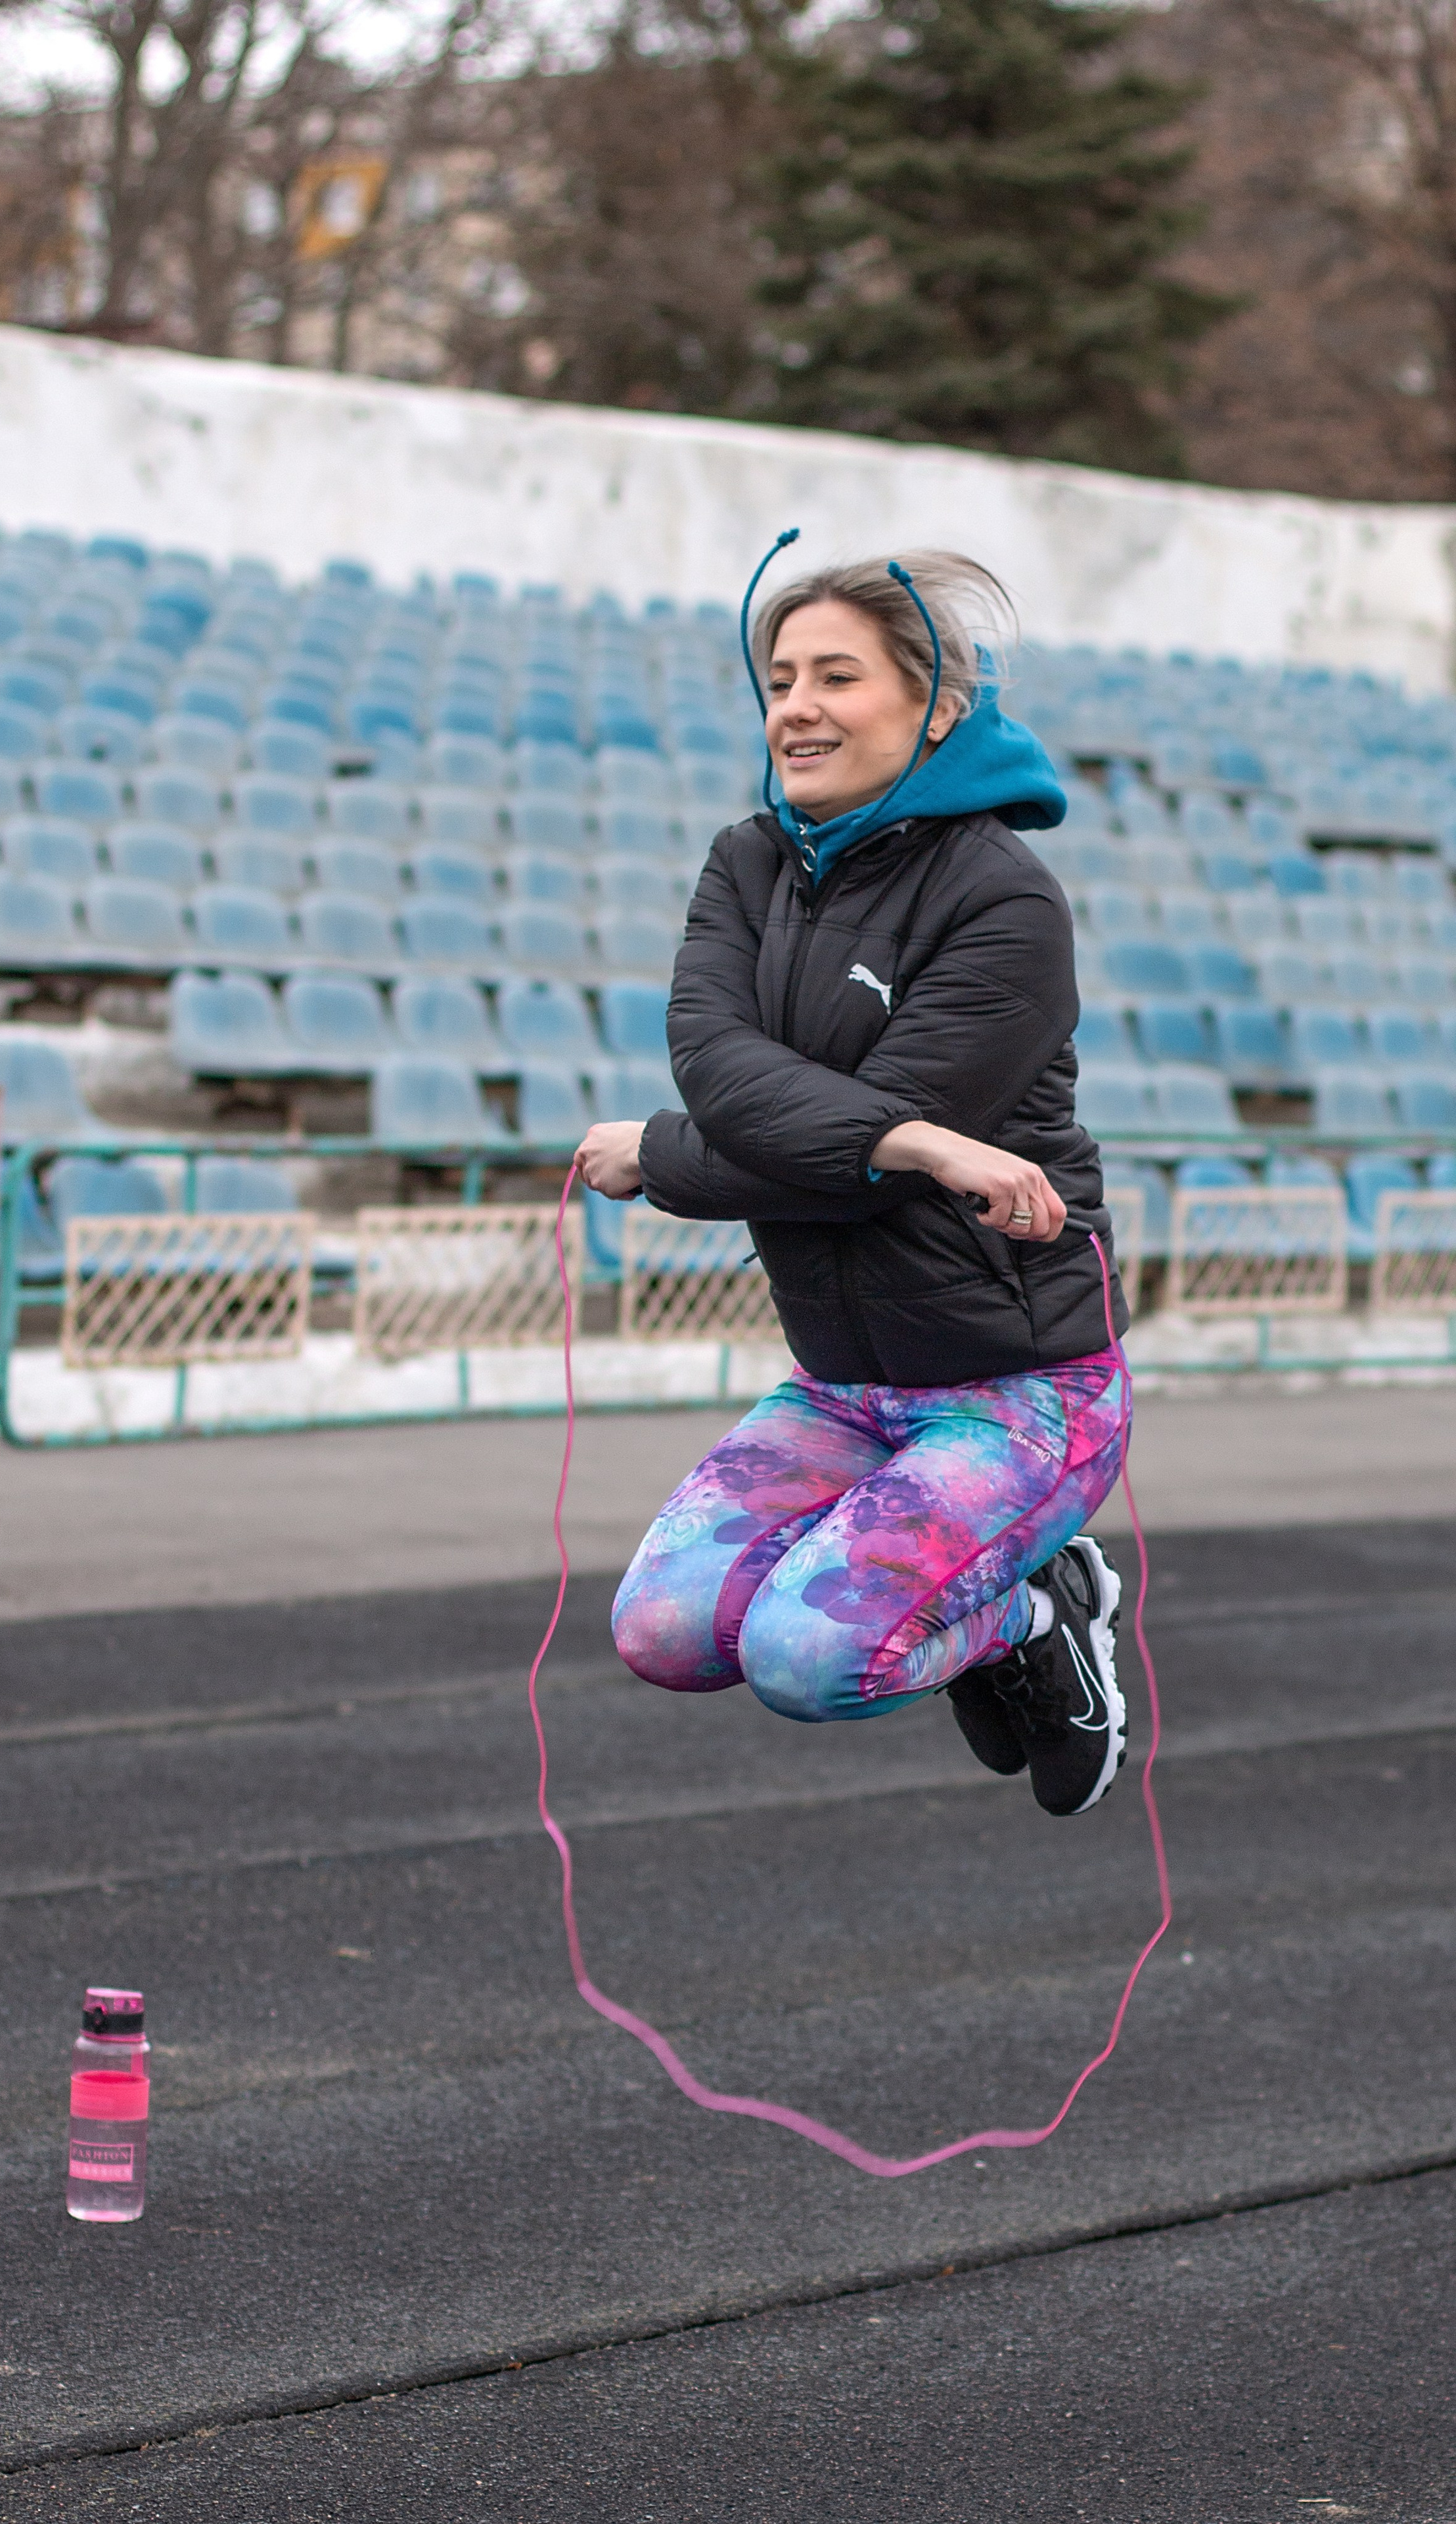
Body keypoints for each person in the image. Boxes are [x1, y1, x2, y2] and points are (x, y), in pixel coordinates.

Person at [574, 551, 1131, 1818]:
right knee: (664, 1634)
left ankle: (1038, 1613)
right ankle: (1012, 1602)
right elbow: (717, 1067)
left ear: (936, 706)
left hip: (1019, 1393)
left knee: (812, 1660)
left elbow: (835, 1177)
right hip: (841, 1382)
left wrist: (659, 1157)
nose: (797, 708)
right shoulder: (747, 862)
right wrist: (917, 1141)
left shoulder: (1006, 900)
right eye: (779, 681)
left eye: (838, 675)